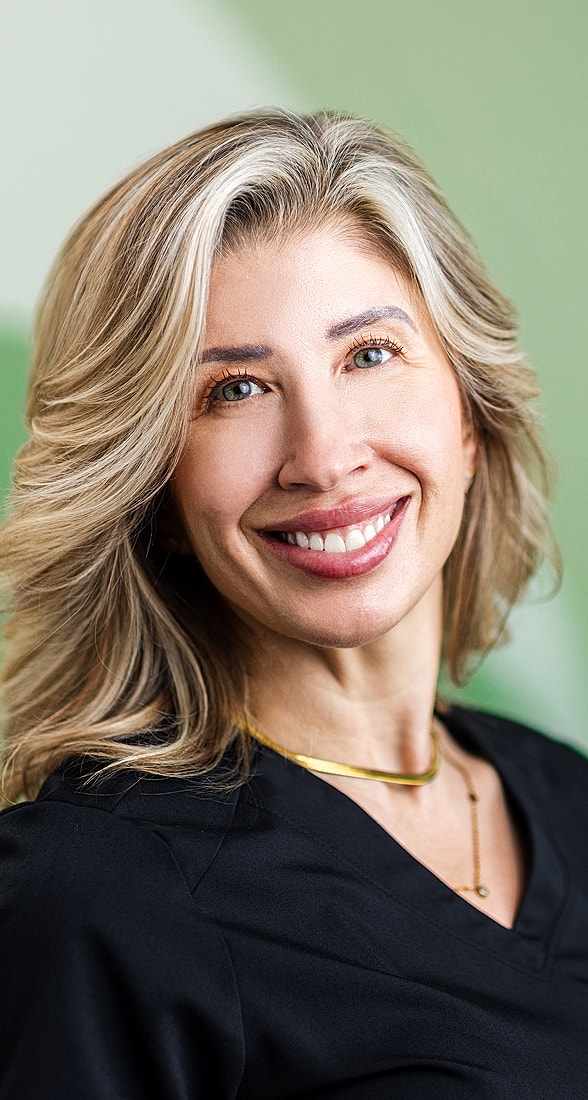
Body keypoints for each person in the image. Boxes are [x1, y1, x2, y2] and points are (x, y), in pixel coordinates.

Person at [0, 108, 587, 1099]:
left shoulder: (570, 797)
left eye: (367, 355)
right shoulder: (93, 892)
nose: (322, 455)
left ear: (469, 417)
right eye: (233, 390)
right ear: (161, 496)